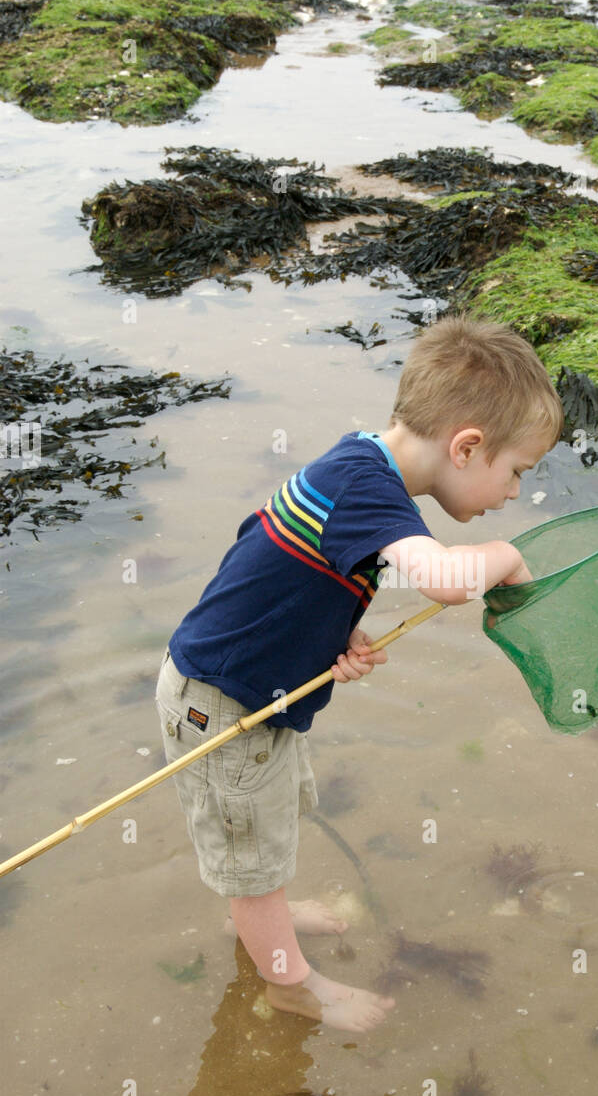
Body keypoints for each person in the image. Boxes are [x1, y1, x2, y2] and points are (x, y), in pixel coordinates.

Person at [154, 314, 564, 1032]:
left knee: (260, 828)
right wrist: (506, 557)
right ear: (468, 447)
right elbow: (440, 578)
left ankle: (257, 915)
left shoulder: (359, 464)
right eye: (518, 472)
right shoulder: (368, 489)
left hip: (242, 688)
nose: (513, 494)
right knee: (251, 849)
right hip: (220, 708)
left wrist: (330, 631)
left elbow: (267, 552)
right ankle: (291, 986)